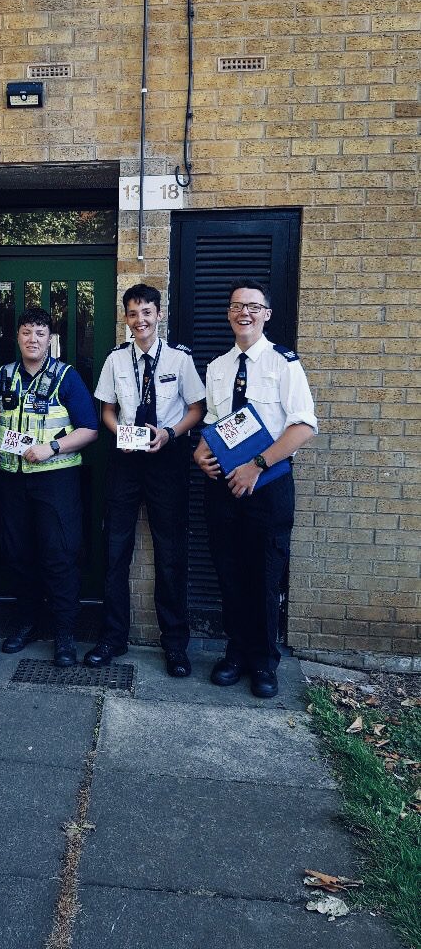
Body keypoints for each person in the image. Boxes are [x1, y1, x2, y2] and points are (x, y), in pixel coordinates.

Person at [193, 279, 317, 698]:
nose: (243, 312)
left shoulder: (284, 364)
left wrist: (256, 466)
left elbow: (303, 427)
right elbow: (212, 422)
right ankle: (236, 653)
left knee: (264, 576)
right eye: (236, 306)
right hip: (224, 487)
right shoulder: (217, 367)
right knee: (229, 574)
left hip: (269, 487)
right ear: (229, 314)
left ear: (266, 314)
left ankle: (264, 662)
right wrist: (200, 451)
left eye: (252, 306)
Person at [86, 283, 205, 675]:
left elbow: (197, 408)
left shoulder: (179, 358)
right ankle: (112, 638)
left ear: (159, 314)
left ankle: (174, 645)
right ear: (127, 318)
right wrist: (116, 432)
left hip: (167, 459)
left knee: (170, 554)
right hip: (124, 461)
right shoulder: (116, 359)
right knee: (115, 550)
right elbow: (106, 408)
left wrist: (170, 433)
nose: (140, 320)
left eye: (147, 312)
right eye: (133, 313)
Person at [0, 308, 99, 667]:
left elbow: (90, 429)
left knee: (59, 556)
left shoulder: (66, 376)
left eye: (40, 333)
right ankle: (26, 623)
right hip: (12, 480)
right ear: (18, 337)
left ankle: (65, 634)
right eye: (26, 332)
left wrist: (52, 448)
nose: (33, 339)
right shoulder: (4, 375)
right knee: (18, 554)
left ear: (49, 338)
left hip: (56, 481)